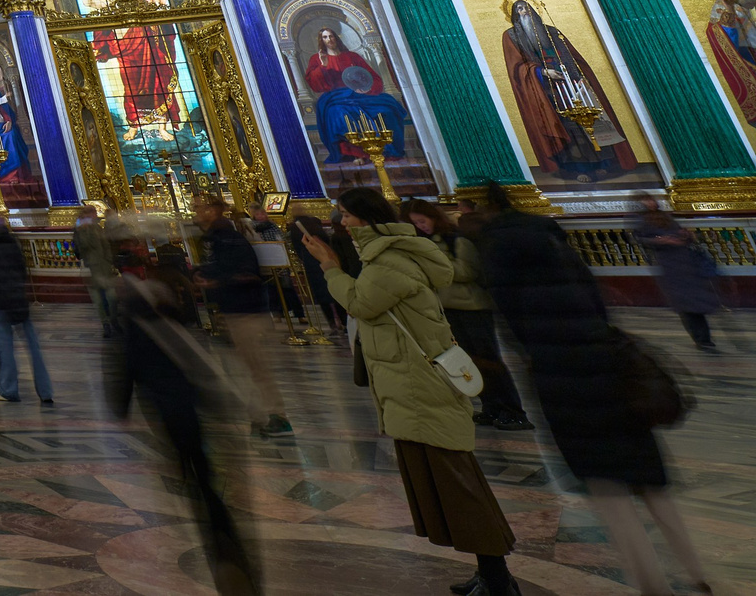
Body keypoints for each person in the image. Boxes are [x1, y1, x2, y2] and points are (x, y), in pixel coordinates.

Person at [477, 183, 714, 596]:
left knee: (609, 491)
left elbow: (514, 328)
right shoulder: (560, 251)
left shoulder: (498, 261)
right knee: (650, 482)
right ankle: (701, 575)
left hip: (559, 378)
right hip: (609, 366)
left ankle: (652, 585)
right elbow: (598, 306)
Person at [304, 187, 519, 596]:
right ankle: (490, 572)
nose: (342, 223)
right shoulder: (386, 253)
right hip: (412, 382)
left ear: (365, 219)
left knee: (457, 482)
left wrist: (330, 266)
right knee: (448, 482)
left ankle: (497, 579)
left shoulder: (389, 260)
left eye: (346, 216)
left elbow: (361, 303)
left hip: (418, 383)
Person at [106, 236, 259, 596]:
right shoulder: (173, 327)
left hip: (170, 411)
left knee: (193, 467)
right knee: (202, 467)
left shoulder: (134, 329)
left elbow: (124, 369)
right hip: (194, 404)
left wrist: (120, 408)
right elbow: (199, 365)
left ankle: (217, 530)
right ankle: (220, 523)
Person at [416, 199, 531, 429]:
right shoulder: (424, 244)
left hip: (472, 308)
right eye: (415, 224)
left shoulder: (455, 240)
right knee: (469, 361)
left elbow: (468, 271)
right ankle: (490, 406)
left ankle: (512, 410)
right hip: (447, 309)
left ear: (433, 218)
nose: (421, 227)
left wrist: (437, 265)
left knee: (489, 359)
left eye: (422, 220)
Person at [194, 195, 290, 436]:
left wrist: (214, 280)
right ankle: (259, 414)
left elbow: (246, 273)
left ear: (214, 211)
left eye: (200, 208)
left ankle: (277, 416)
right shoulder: (217, 239)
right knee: (245, 368)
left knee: (257, 367)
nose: (195, 212)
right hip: (234, 311)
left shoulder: (228, 238)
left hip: (247, 311)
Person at [0, 211, 52, 406]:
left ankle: (8, 389)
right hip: (19, 300)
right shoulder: (12, 243)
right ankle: (46, 390)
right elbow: (22, 270)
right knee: (34, 348)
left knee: (6, 350)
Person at [634, 202, 723, 352]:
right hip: (670, 268)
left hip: (686, 264)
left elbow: (683, 237)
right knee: (686, 306)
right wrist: (661, 240)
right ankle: (701, 339)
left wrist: (686, 235)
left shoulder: (667, 218)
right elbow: (642, 240)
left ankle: (704, 338)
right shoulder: (642, 222)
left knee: (695, 305)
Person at [72, 202, 118, 337]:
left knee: (112, 297)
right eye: (91, 214)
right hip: (91, 268)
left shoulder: (97, 228)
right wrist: (85, 230)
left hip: (104, 266)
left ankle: (113, 320)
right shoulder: (80, 231)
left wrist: (109, 260)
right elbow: (83, 247)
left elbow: (105, 245)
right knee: (99, 300)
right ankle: (106, 324)